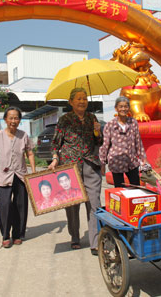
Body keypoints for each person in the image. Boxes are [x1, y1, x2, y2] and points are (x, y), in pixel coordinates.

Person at [48, 87, 103, 256]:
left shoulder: (92, 118)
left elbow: (98, 142)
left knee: (94, 203)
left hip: (90, 164)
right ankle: (75, 236)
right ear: (71, 102)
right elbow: (55, 143)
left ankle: (95, 241)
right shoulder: (65, 120)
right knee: (73, 205)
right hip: (70, 166)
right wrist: (55, 159)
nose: (82, 101)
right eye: (78, 98)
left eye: (85, 98)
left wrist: (97, 131)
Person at [0, 106, 36, 248]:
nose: (14, 121)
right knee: (4, 205)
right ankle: (6, 235)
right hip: (3, 176)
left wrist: (33, 171)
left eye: (16, 118)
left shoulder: (23, 135)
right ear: (6, 119)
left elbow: (30, 153)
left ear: (19, 120)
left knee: (21, 205)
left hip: (20, 176)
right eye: (11, 118)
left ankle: (18, 234)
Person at [99, 96, 147, 188]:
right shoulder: (110, 125)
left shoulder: (133, 122)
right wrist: (102, 163)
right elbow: (105, 145)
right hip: (116, 161)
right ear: (116, 108)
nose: (123, 109)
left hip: (131, 161)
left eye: (126, 106)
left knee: (136, 187)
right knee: (120, 190)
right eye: (121, 106)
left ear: (129, 108)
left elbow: (138, 141)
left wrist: (143, 157)